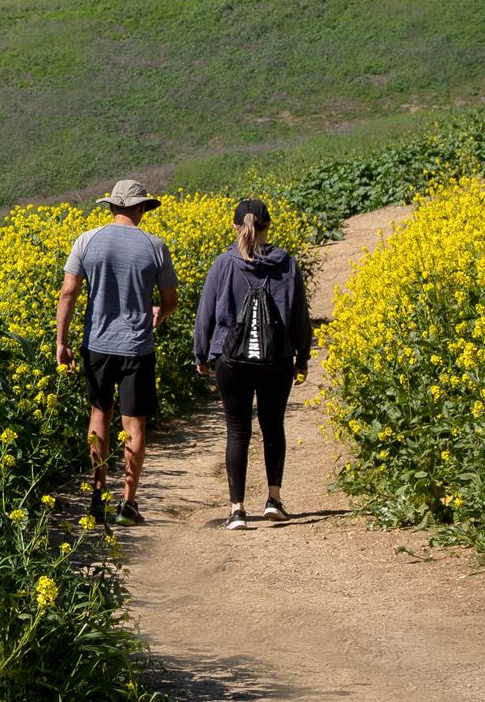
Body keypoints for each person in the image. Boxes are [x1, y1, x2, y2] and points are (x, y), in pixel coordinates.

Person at [55, 179, 178, 524]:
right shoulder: (155, 245)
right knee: (133, 421)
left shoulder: (86, 240)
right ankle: (128, 503)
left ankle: (97, 496)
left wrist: (60, 342)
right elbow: (170, 301)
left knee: (99, 415)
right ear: (140, 209)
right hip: (137, 347)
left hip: (97, 343)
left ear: (111, 207)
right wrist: (158, 313)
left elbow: (68, 292)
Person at [193, 197, 311, 530]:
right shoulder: (285, 262)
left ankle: (237, 510)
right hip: (276, 358)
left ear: (236, 227)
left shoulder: (223, 263)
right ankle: (273, 500)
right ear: (268, 226)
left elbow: (207, 313)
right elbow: (299, 314)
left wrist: (202, 354)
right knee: (273, 427)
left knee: (238, 432)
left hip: (231, 360)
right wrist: (302, 356)